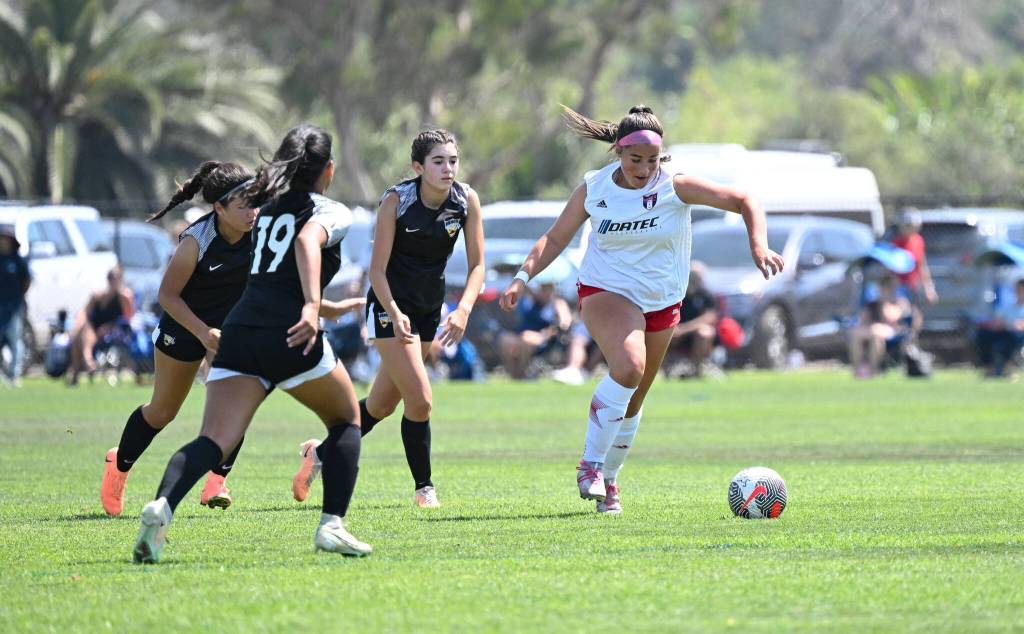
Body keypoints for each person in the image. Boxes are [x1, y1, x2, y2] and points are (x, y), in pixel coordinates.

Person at [500, 104, 783, 514]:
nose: (645, 167)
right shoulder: (594, 189)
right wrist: (522, 277)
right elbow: (555, 238)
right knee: (629, 367)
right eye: (636, 159)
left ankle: (610, 480)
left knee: (633, 399)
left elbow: (745, 199)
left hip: (663, 301)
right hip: (605, 290)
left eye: (652, 159)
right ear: (617, 151)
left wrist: (758, 244)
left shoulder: (674, 186)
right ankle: (590, 466)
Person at [132, 124, 371, 562]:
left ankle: (161, 507)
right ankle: (332, 525)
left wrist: (321, 307)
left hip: (241, 329)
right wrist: (312, 307)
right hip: (290, 332)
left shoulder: (263, 208)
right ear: (329, 170)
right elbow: (305, 241)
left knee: (214, 439)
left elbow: (273, 271)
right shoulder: (329, 210)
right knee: (346, 420)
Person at [296, 129, 485, 510]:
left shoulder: (466, 200)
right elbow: (377, 271)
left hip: (430, 308)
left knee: (382, 405)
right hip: (388, 307)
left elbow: (478, 265)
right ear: (418, 167)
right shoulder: (397, 201)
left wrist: (462, 308)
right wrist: (395, 313)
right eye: (438, 161)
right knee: (421, 400)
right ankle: (424, 488)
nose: (448, 168)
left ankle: (319, 454)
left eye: (453, 160)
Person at [100, 161, 258, 517]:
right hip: (184, 326)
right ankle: (118, 467)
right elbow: (168, 296)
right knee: (163, 411)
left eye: (256, 200)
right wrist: (203, 332)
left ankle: (217, 483)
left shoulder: (260, 232)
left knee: (236, 404)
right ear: (218, 207)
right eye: (244, 204)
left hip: (228, 330)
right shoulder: (196, 240)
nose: (253, 211)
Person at [67, 264, 135, 385]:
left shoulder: (124, 296)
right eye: (110, 277)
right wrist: (77, 324)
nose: (112, 281)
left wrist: (109, 327)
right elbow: (84, 312)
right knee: (81, 333)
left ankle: (79, 370)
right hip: (94, 329)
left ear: (120, 279)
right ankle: (88, 363)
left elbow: (129, 317)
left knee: (82, 336)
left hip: (114, 331)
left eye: (115, 278)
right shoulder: (98, 296)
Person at [497, 281, 572, 379]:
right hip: (521, 335)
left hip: (545, 338)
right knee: (505, 339)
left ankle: (520, 376)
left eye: (547, 288)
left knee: (526, 338)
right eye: (541, 288)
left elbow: (565, 324)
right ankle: (514, 377)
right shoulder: (528, 301)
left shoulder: (557, 304)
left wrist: (547, 333)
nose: (543, 292)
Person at [847, 274, 914, 378]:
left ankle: (873, 371)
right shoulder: (873, 303)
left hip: (893, 331)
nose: (884, 290)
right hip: (873, 329)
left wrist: (884, 303)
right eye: (883, 287)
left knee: (875, 335)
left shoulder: (900, 302)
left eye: (888, 287)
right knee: (855, 334)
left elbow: (893, 317)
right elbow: (863, 319)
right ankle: (857, 371)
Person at [668, 261, 719, 378]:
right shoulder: (677, 294)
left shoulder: (706, 296)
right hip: (675, 332)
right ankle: (663, 369)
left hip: (692, 333)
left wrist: (684, 329)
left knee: (705, 333)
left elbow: (709, 318)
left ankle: (696, 370)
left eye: (696, 277)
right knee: (663, 332)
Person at [0, 224, 31, 386]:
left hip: (14, 307)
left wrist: (19, 298)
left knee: (14, 339)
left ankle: (14, 374)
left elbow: (26, 280)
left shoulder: (17, 260)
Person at [975, 278, 1024, 377]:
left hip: (1017, 335)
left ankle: (1007, 369)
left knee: (1013, 337)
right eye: (1017, 289)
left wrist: (1013, 325)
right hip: (1004, 332)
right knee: (983, 335)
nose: (1018, 291)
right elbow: (997, 322)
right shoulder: (1008, 307)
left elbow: (1020, 326)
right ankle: (989, 368)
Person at [891, 210, 938, 310]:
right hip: (899, 286)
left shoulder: (918, 241)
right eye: (907, 226)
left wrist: (928, 288)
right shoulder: (895, 243)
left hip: (914, 286)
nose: (910, 229)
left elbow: (922, 265)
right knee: (903, 312)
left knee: (916, 315)